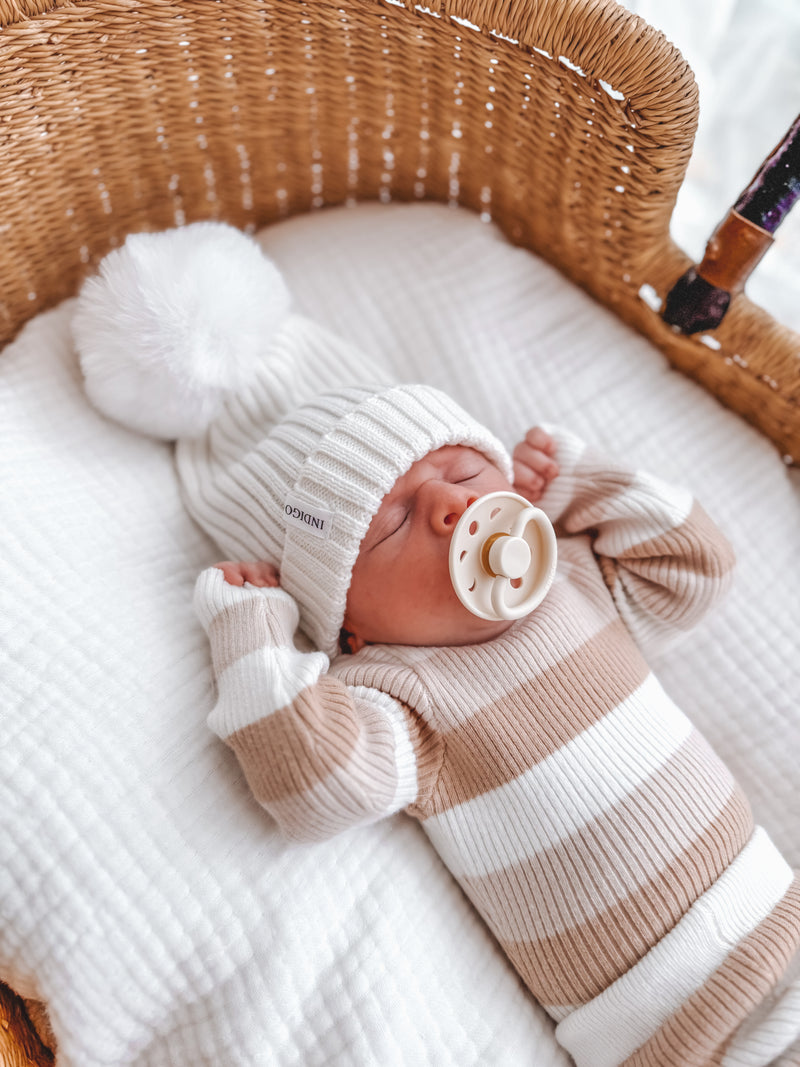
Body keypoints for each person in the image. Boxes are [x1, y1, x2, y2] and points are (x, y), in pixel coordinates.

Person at [74, 223, 800, 1067]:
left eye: (461, 475)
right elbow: (312, 787)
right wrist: (252, 633)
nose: (448, 510)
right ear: (348, 623)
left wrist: (579, 484)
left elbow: (696, 565)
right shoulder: (398, 694)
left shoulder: (574, 577)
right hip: (665, 1034)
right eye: (391, 525)